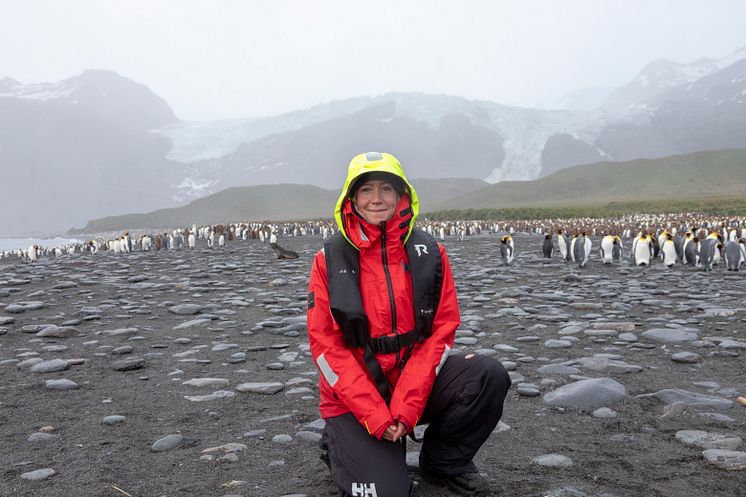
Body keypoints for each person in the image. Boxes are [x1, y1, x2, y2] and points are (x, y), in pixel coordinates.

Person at [307, 152, 511, 496]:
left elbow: (442, 332)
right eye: (366, 189)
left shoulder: (430, 253)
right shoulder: (328, 260)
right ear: (352, 198)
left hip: (410, 385)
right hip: (356, 397)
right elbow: (327, 348)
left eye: (386, 188)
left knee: (487, 376)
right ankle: (340, 441)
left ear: (402, 195)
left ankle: (445, 462)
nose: (376, 198)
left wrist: (405, 407)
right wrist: (375, 414)